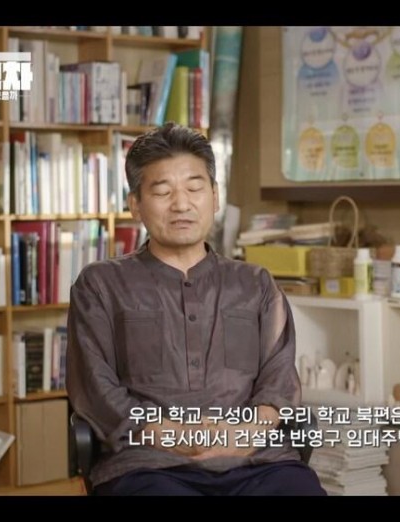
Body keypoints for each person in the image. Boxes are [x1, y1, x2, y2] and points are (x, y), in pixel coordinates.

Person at [66, 123, 326, 496]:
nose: (181, 204)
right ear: (135, 204)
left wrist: (245, 433)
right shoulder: (101, 285)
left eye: (194, 187)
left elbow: (279, 382)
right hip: (150, 464)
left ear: (215, 197)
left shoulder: (255, 284)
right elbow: (94, 388)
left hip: (257, 462)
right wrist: (170, 435)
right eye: (163, 191)